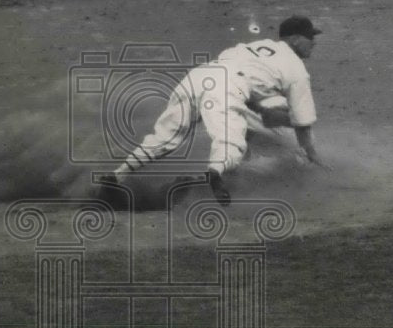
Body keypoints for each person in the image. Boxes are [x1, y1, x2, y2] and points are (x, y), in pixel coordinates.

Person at [98, 15, 329, 206]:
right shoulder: (296, 69)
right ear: (296, 39)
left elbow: (244, 81)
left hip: (199, 76)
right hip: (228, 87)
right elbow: (303, 124)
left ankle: (117, 175)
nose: (314, 42)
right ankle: (215, 172)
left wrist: (258, 108)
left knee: (164, 137)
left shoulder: (256, 46)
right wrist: (314, 157)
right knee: (230, 140)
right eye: (310, 37)